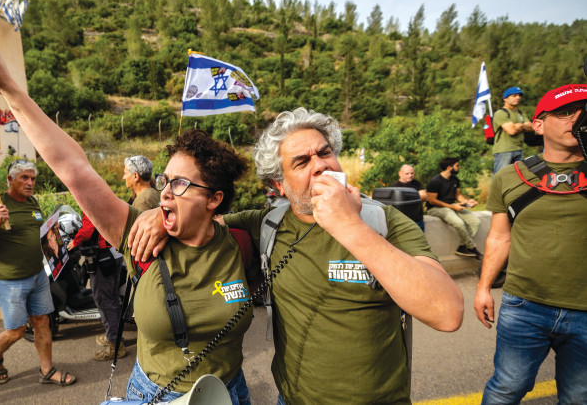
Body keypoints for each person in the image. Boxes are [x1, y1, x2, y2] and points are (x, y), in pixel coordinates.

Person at [0, 42, 253, 404]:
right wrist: (7, 87)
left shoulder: (242, 236)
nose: (164, 194)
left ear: (214, 199)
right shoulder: (140, 237)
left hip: (230, 392)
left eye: (180, 184)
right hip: (156, 394)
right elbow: (75, 169)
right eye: (164, 180)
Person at [129, 107, 464, 404]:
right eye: (302, 162)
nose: (320, 165)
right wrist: (158, 214)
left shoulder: (381, 221)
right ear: (279, 185)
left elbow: (447, 313)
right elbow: (200, 218)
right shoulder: (266, 225)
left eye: (325, 153)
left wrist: (350, 225)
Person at [474, 84, 587, 404]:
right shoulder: (509, 177)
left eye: (583, 112)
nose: (576, 119)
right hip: (524, 306)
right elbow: (499, 236)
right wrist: (483, 287)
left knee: (579, 396)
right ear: (538, 125)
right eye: (565, 112)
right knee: (507, 387)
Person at [0, 160, 76, 387]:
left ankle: (47, 371)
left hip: (37, 275)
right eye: (24, 178)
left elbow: (40, 234)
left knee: (42, 321)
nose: (30, 183)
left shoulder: (33, 202)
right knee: (16, 331)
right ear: (10, 180)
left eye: (33, 178)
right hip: (9, 280)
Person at [68, 213, 125, 361]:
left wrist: (75, 242)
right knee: (112, 298)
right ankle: (115, 337)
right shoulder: (100, 192)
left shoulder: (89, 195)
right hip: (114, 252)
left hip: (103, 256)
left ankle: (115, 347)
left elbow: (88, 228)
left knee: (104, 301)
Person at [425, 157, 482, 258]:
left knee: (475, 222)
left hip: (452, 206)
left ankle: (462, 246)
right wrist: (452, 207)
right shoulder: (435, 181)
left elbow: (458, 196)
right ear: (449, 167)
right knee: (459, 223)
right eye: (457, 165)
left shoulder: (455, 179)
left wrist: (467, 202)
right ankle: (472, 247)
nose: (459, 167)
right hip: (435, 208)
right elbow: (432, 200)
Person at [492, 86, 534, 173]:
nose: (518, 97)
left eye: (519, 95)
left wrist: (519, 125)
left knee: (517, 177)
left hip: (518, 148)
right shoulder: (500, 113)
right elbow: (512, 131)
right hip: (504, 150)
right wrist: (523, 126)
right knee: (500, 176)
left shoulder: (520, 112)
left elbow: (532, 127)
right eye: (514, 96)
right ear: (505, 98)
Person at [390, 163, 428, 231]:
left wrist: (406, 197)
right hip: (403, 222)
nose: (410, 175)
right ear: (400, 173)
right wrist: (417, 195)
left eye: (412, 173)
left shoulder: (416, 183)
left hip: (418, 221)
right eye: (407, 173)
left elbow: (424, 196)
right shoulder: (395, 186)